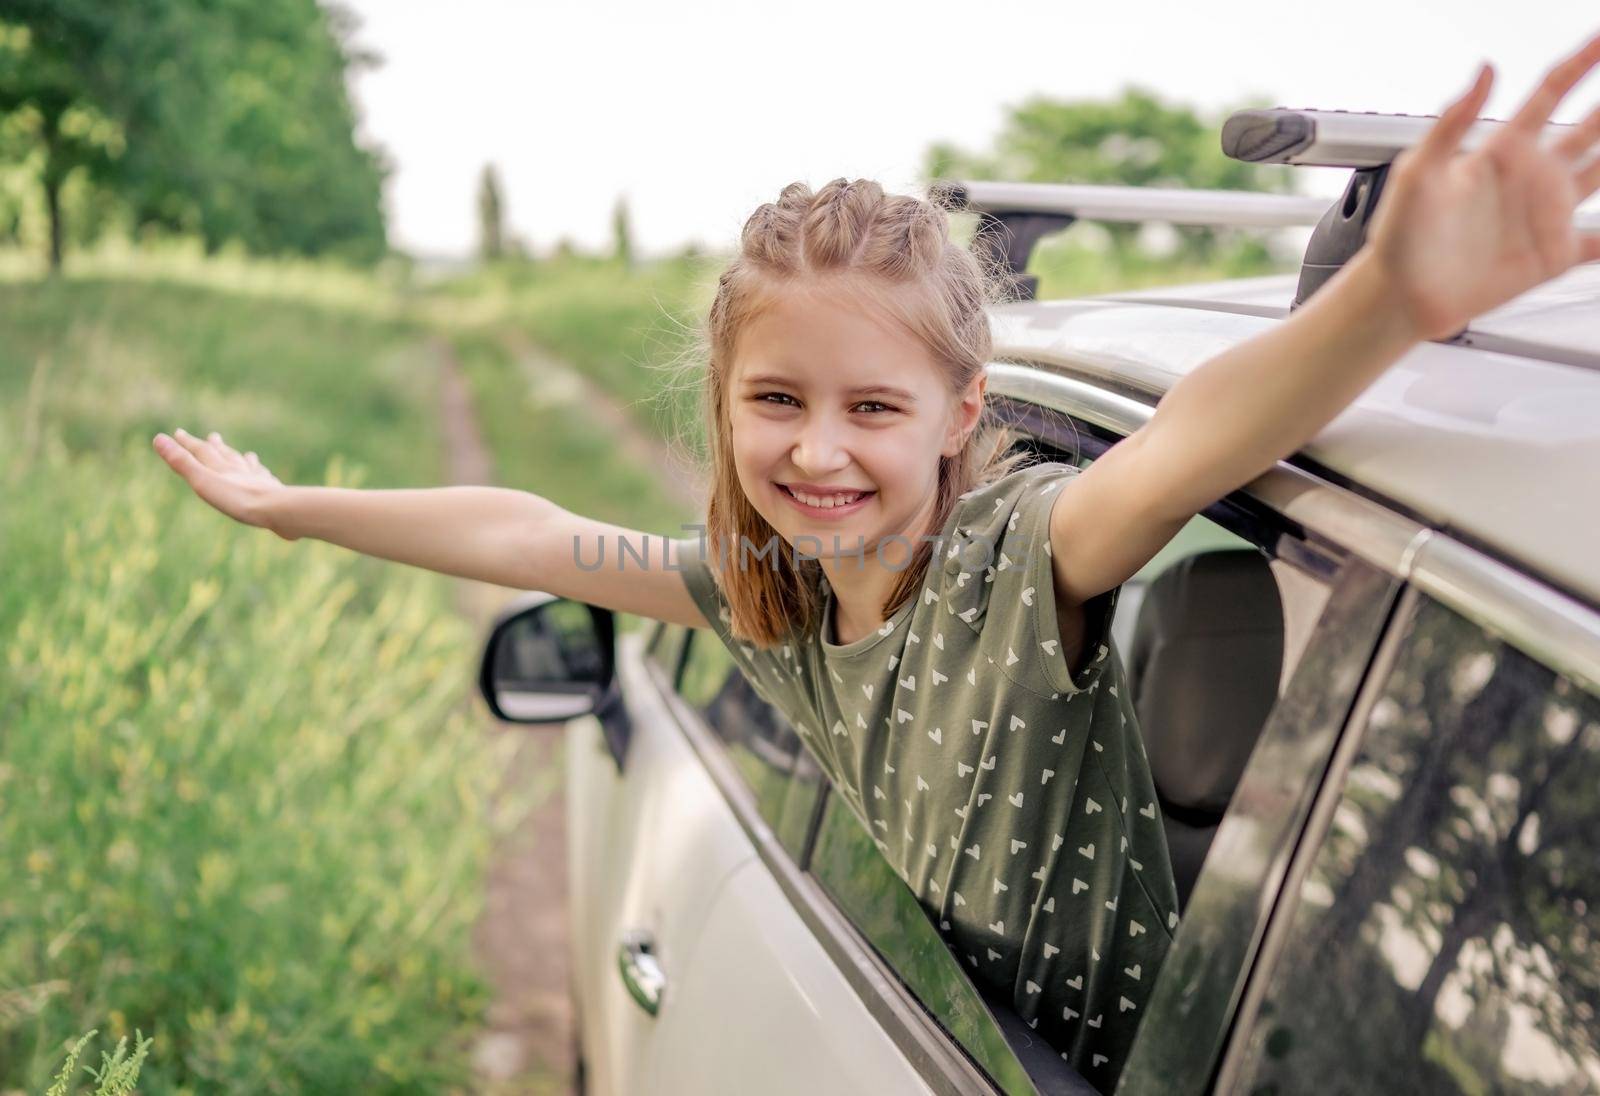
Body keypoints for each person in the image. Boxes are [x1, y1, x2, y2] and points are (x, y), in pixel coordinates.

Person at [152, 35, 1600, 1091]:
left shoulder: (1018, 558)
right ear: (724, 407)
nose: (819, 453)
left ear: (963, 416)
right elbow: (530, 533)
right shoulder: (763, 593)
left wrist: (1389, 308)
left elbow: (1179, 450)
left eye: (874, 410)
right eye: (777, 402)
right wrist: (299, 511)